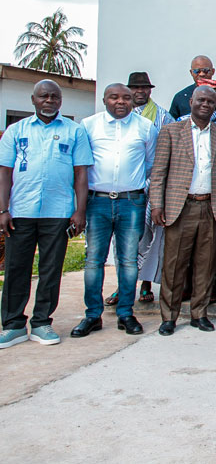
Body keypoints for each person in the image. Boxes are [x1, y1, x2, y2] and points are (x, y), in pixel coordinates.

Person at [0, 80, 92, 348]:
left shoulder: (74, 131)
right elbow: (4, 172)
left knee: (51, 269)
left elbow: (81, 173)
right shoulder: (16, 131)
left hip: (58, 211)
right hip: (21, 211)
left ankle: (41, 323)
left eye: (54, 96)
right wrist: (3, 209)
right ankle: (14, 325)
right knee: (16, 268)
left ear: (60, 101)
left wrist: (80, 211)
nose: (49, 100)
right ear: (33, 99)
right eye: (44, 96)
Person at [72, 84, 157, 338]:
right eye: (114, 97)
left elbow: (150, 164)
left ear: (133, 101)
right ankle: (92, 315)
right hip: (96, 201)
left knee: (128, 260)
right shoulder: (88, 126)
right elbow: (81, 166)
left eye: (126, 97)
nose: (121, 101)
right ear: (104, 100)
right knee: (93, 260)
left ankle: (126, 313)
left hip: (131, 202)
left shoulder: (145, 127)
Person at [149, 85, 216, 336]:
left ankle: (199, 313)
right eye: (201, 100)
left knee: (206, 265)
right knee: (174, 265)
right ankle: (169, 317)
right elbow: (158, 173)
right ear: (191, 102)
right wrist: (157, 205)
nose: (205, 105)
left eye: (211, 102)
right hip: (180, 207)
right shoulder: (171, 131)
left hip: (211, 207)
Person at [129, 71, 174, 304]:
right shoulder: (122, 117)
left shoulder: (163, 116)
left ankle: (145, 283)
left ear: (150, 90)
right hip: (127, 187)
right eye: (135, 88)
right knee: (126, 239)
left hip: (152, 186)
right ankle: (123, 286)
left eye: (144, 87)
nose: (140, 91)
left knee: (149, 236)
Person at [169, 55, 216, 121]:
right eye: (197, 71)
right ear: (191, 72)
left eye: (206, 70)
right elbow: (171, 124)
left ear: (213, 71)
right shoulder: (180, 97)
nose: (202, 74)